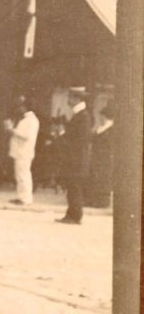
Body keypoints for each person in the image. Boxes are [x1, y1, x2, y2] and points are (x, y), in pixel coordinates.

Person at [57, 87, 92, 225]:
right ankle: (71, 214)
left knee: (75, 187)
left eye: (70, 98)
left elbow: (79, 140)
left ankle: (75, 216)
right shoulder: (80, 115)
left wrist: (62, 135)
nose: (68, 100)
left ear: (77, 99)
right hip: (75, 158)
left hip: (76, 159)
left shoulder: (82, 116)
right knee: (72, 187)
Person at [4, 95, 40, 206]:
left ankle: (25, 198)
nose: (20, 108)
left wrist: (12, 130)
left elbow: (26, 135)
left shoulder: (30, 120)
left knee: (23, 175)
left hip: (24, 151)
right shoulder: (28, 120)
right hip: (22, 151)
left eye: (22, 106)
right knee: (21, 174)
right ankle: (22, 196)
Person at [87, 103, 114, 208]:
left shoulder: (110, 129)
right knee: (97, 179)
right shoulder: (102, 128)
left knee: (103, 179)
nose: (100, 118)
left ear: (105, 116)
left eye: (101, 116)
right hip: (98, 158)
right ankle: (96, 200)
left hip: (105, 159)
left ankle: (103, 202)